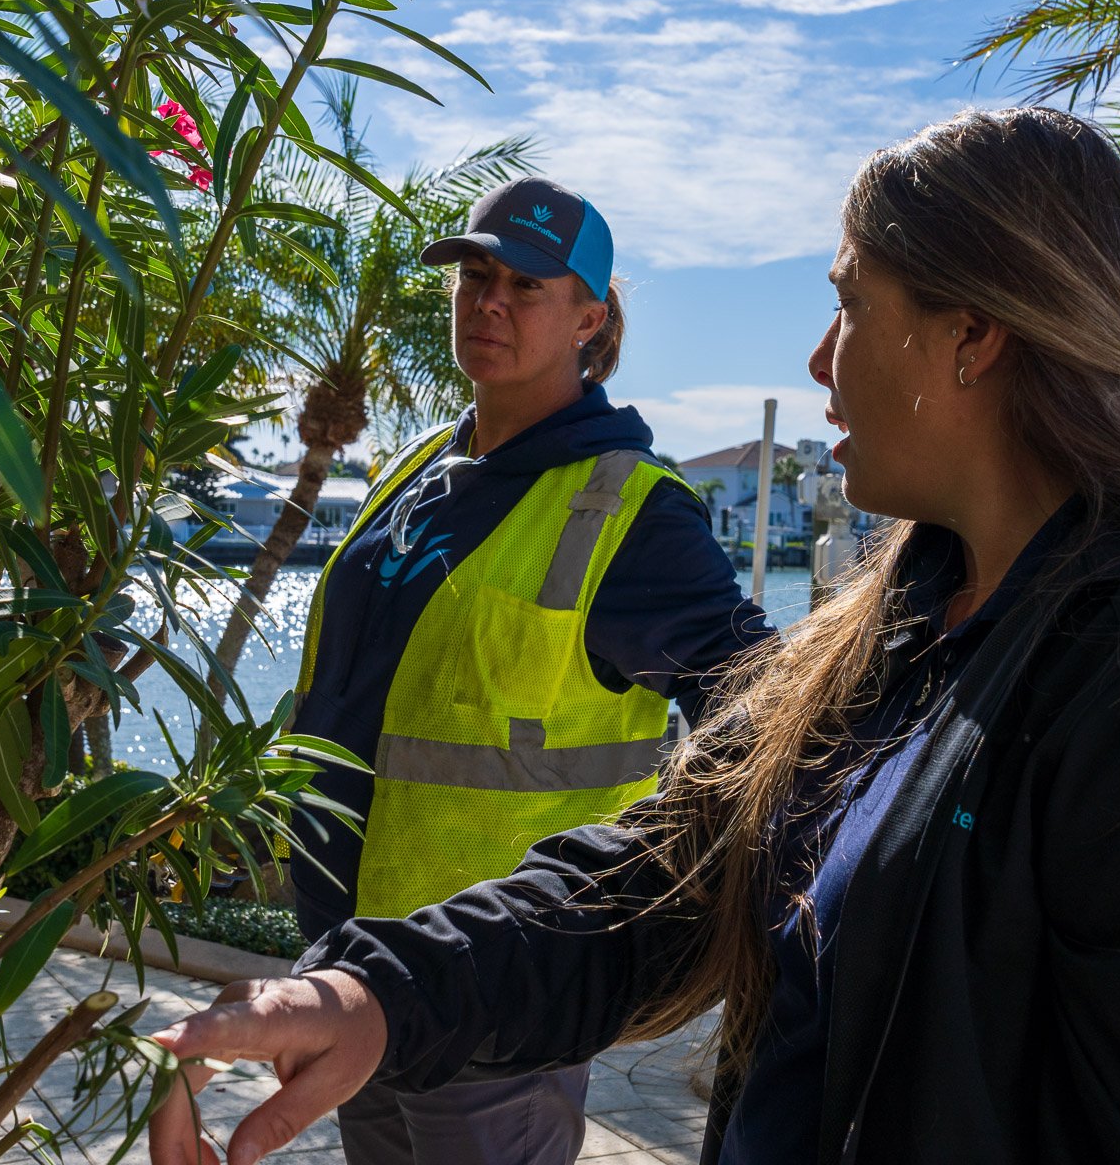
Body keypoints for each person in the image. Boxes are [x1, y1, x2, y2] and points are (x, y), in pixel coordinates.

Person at [148, 109, 1120, 1165]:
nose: (819, 360)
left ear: (974, 337)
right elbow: (672, 874)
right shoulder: (897, 632)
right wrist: (378, 994)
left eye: (850, 304)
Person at [279, 175, 770, 1164]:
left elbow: (760, 710)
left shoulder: (630, 512)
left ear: (590, 318)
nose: (487, 301)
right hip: (355, 964)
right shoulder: (419, 472)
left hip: (492, 991)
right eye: (474, 275)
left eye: (525, 285)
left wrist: (662, 905)